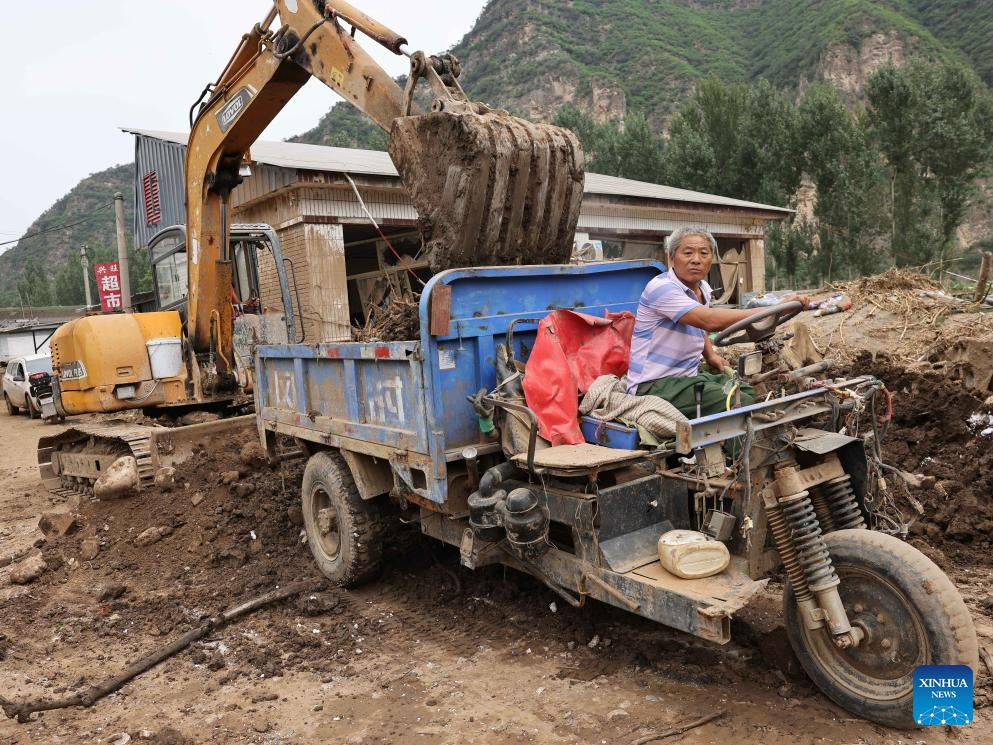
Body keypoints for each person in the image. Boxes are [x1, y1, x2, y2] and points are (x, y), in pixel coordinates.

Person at [626, 226, 808, 418]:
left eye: (704, 253)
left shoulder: (702, 288)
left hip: (686, 377)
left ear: (711, 259)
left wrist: (710, 354)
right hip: (655, 384)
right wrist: (773, 310)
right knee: (736, 402)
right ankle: (742, 448)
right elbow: (708, 321)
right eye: (688, 253)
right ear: (671, 258)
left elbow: (697, 323)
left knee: (747, 391)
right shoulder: (661, 288)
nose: (696, 259)